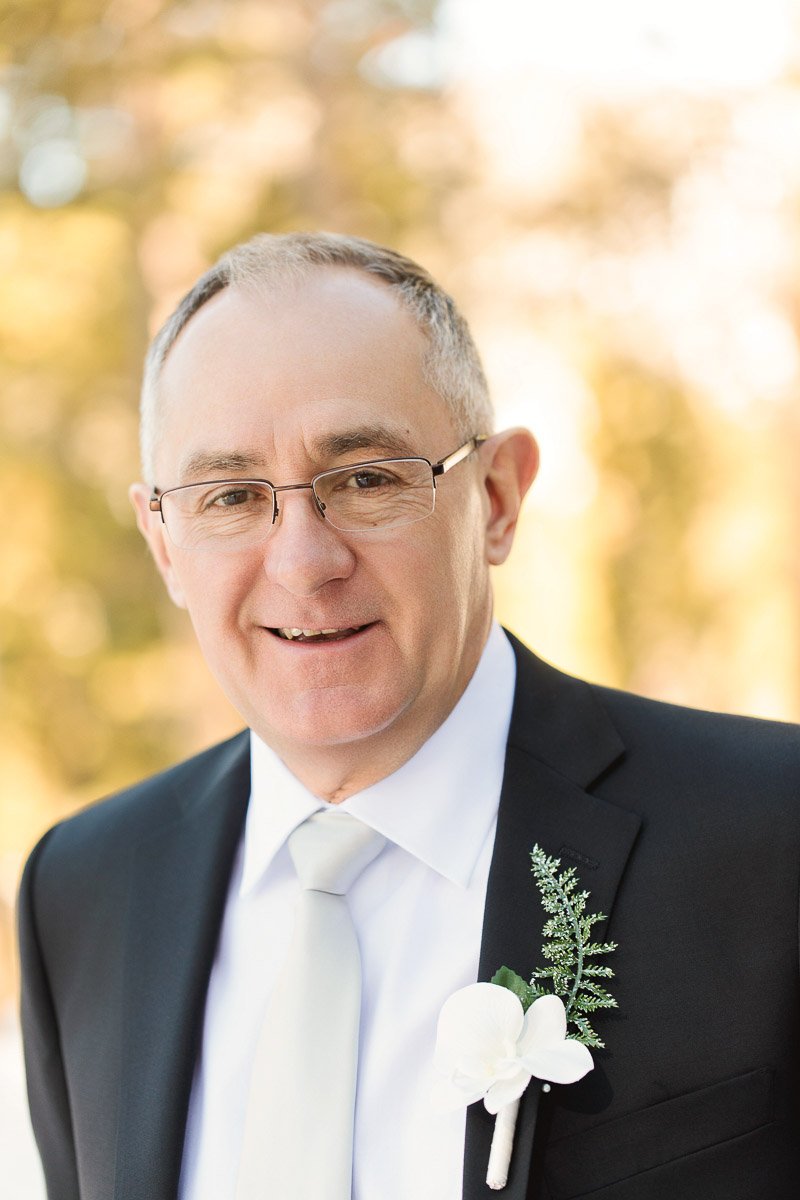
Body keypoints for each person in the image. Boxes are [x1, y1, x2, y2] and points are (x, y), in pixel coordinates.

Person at [18, 232, 800, 1200]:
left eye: (366, 479)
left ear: (497, 499)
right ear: (165, 542)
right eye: (230, 496)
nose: (304, 563)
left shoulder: (774, 836)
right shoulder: (82, 888)